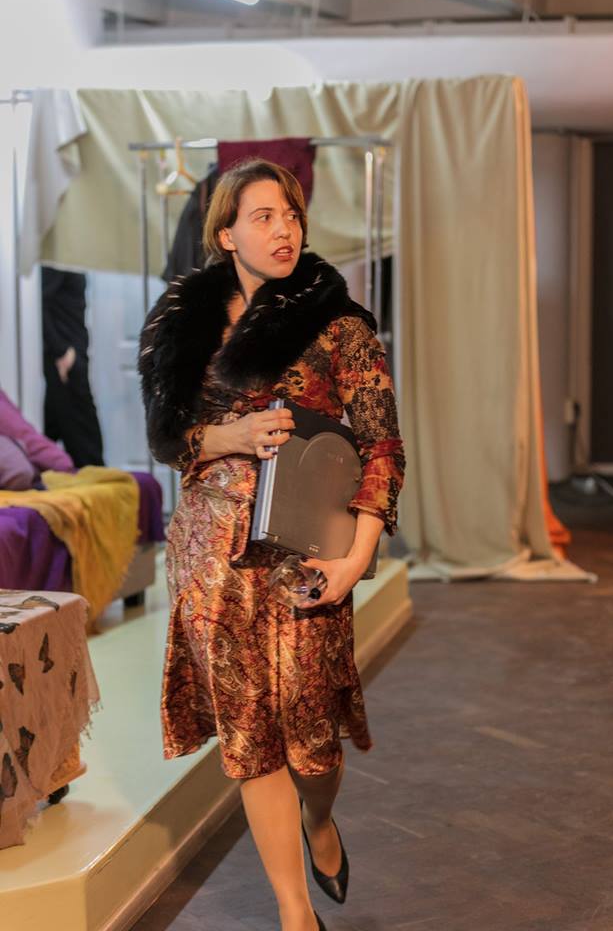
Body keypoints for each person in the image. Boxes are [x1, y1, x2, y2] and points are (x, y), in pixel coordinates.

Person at [138, 159, 405, 931]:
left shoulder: (338, 324)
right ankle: (294, 912)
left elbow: (382, 447)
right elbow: (169, 440)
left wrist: (355, 559)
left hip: (306, 552)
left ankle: (319, 819)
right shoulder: (180, 324)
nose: (285, 228)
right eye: (264, 216)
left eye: (291, 214)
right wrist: (232, 435)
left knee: (313, 744)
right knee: (251, 734)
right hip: (210, 558)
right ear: (226, 235)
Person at [41, 266, 104, 468]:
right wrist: (61, 351)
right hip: (66, 359)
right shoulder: (56, 263)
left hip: (72, 354)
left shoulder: (68, 262)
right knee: (86, 441)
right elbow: (40, 305)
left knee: (55, 427)